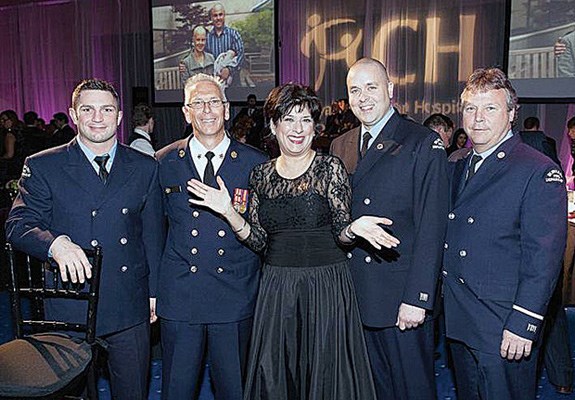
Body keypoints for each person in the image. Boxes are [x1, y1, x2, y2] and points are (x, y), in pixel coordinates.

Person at [188, 83, 400, 399]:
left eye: (305, 120)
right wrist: (230, 212)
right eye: (288, 119)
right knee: (276, 377)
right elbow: (259, 241)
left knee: (327, 378)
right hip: (277, 290)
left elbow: (341, 234)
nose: (297, 129)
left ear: (316, 127)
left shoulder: (330, 168)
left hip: (326, 287)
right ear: (274, 126)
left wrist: (354, 228)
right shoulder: (260, 175)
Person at [5, 79, 164, 400]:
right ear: (73, 115)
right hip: (69, 302)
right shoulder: (43, 165)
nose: (97, 118)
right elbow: (17, 225)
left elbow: (153, 235)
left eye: (107, 110)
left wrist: (154, 293)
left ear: (119, 117)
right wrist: (53, 243)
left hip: (128, 303)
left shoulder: (145, 166)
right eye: (87, 109)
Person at [443, 67, 567, 399]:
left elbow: (543, 258)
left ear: (511, 114)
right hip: (461, 317)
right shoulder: (458, 164)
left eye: (490, 108)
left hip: (502, 323)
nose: (478, 118)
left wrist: (524, 322)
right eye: (470, 108)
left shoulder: (537, 170)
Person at [330, 57, 449, 400]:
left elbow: (432, 227)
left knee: (412, 389)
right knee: (371, 389)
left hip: (401, 298)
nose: (363, 97)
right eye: (355, 90)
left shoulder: (421, 142)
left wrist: (418, 298)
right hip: (356, 295)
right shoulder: (342, 145)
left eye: (372, 87)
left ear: (390, 91)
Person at [155, 73, 267, 400]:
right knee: (176, 389)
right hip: (181, 297)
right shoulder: (163, 162)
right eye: (198, 103)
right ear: (186, 113)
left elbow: (263, 235)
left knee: (235, 389)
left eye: (214, 102)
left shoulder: (255, 164)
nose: (207, 110)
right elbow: (150, 231)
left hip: (234, 296)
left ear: (227, 109)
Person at [206, 3, 244, 85]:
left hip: (234, 83)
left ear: (224, 15)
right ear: (211, 18)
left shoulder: (234, 34)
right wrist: (184, 65)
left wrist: (229, 69)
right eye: (215, 15)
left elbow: (241, 55)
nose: (218, 18)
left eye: (220, 15)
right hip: (215, 83)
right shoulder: (207, 38)